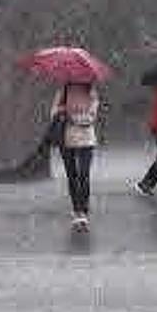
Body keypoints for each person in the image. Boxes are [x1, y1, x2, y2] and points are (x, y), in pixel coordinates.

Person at [51, 82, 100, 229]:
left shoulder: (91, 91)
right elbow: (53, 113)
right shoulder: (63, 89)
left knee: (84, 174)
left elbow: (91, 117)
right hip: (66, 138)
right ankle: (76, 209)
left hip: (86, 139)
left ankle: (83, 211)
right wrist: (62, 110)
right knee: (72, 175)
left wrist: (75, 118)